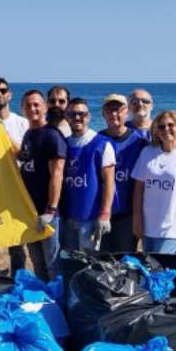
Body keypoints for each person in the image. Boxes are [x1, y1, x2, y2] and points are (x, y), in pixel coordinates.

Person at [131, 109, 176, 254]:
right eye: (161, 126)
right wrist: (137, 218)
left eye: (170, 125)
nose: (166, 129)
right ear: (156, 131)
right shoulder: (148, 152)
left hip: (175, 228)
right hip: (149, 227)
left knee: (162, 271)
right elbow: (139, 189)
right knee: (151, 271)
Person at [0, 77, 31, 274]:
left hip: (17, 190)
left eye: (3, 91)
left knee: (17, 244)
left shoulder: (23, 124)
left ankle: (17, 282)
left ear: (9, 94)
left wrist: (2, 132)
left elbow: (26, 156)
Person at [18, 90, 66, 280]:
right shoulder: (29, 134)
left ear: (45, 107)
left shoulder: (52, 135)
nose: (33, 109)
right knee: (37, 263)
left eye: (36, 104)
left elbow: (57, 173)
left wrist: (51, 209)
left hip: (48, 213)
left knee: (52, 264)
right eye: (28, 105)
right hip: (30, 211)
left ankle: (58, 304)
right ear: (22, 109)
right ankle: (45, 305)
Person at [59, 98, 115, 251]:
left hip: (90, 218)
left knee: (88, 264)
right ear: (66, 117)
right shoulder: (63, 144)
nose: (77, 118)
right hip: (66, 216)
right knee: (69, 263)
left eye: (81, 114)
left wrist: (105, 215)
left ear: (89, 117)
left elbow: (109, 182)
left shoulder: (102, 144)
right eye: (72, 114)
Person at [99, 94, 147, 252]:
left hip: (127, 214)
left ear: (127, 112)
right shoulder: (97, 140)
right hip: (100, 213)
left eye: (118, 110)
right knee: (101, 261)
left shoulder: (139, 142)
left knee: (125, 261)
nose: (114, 114)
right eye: (109, 110)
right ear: (103, 114)